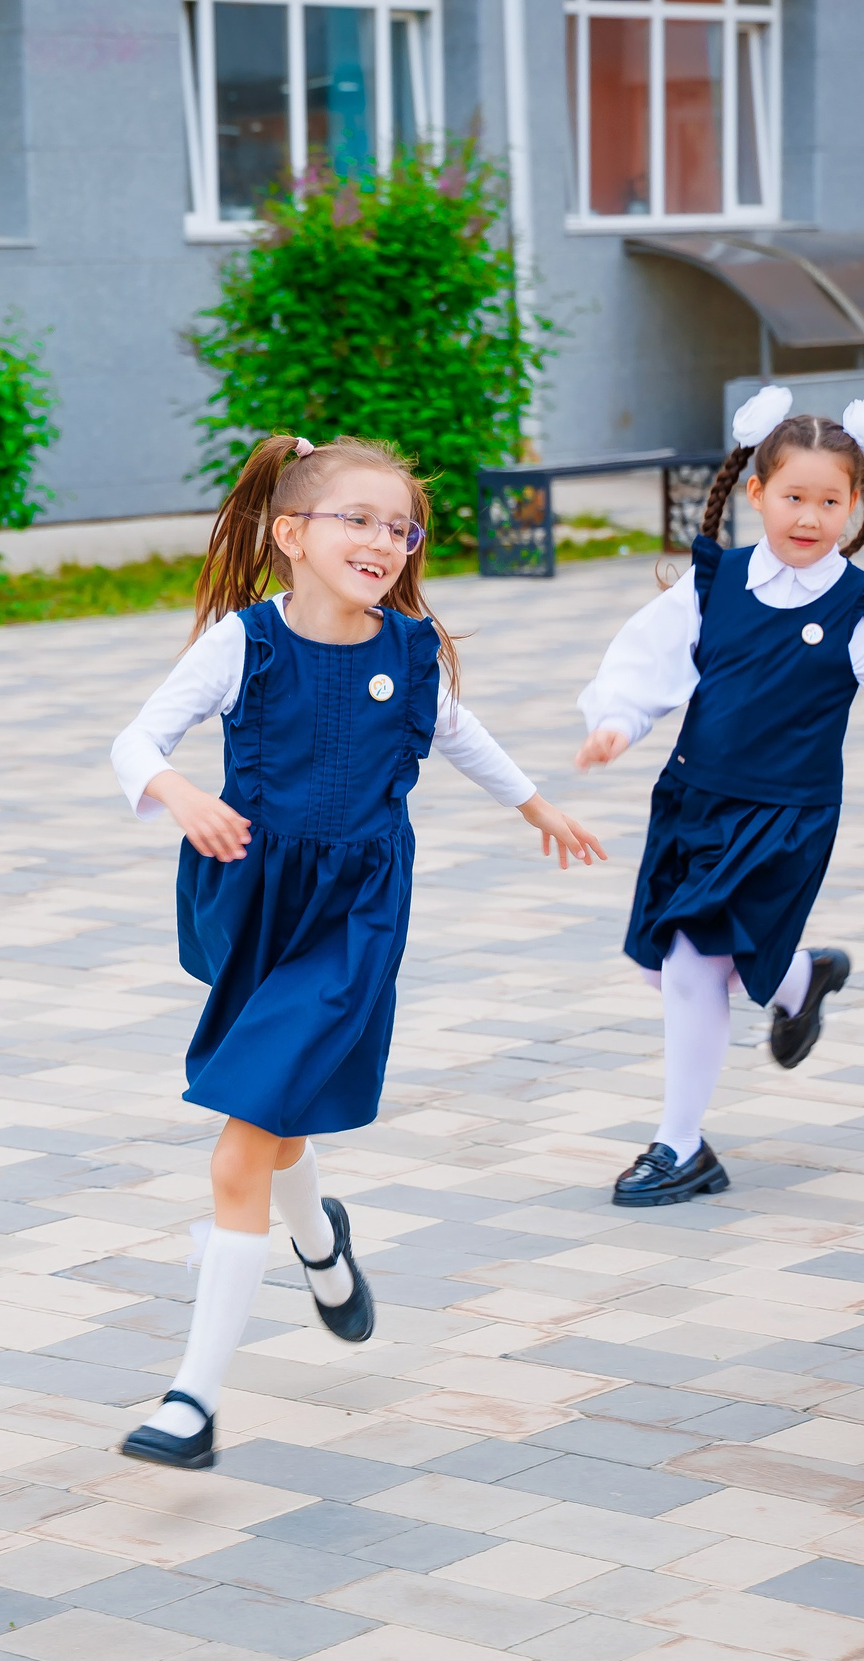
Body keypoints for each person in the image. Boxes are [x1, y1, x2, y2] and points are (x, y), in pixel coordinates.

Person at [110, 434, 604, 1469]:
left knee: (243, 1137)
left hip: (354, 920)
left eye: (399, 526)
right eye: (359, 519)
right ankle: (319, 1239)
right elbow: (135, 743)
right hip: (251, 898)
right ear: (290, 534)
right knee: (275, 1119)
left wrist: (536, 808)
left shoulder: (410, 650)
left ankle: (192, 1402)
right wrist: (180, 793)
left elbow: (456, 733)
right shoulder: (242, 645)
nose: (384, 540)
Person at [574, 391, 864, 1208]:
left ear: (855, 505)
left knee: (692, 962)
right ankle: (798, 979)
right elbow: (642, 663)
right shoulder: (712, 585)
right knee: (675, 967)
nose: (810, 517)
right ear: (756, 494)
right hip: (692, 803)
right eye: (794, 496)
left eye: (831, 500)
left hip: (785, 817)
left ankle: (680, 1145)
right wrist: (615, 722)